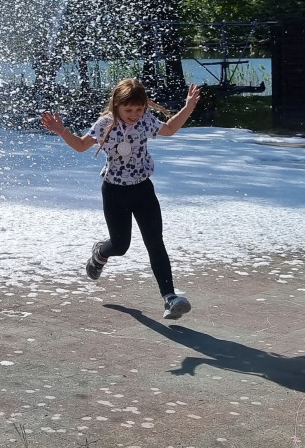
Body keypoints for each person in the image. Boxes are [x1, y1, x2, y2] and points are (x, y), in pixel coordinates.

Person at [41, 79, 200, 320]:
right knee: (120, 245)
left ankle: (169, 297)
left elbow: (168, 129)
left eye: (138, 109)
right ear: (117, 106)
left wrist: (188, 107)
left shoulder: (145, 120)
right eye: (129, 110)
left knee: (155, 243)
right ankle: (99, 255)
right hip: (115, 193)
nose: (135, 115)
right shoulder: (105, 124)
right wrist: (62, 131)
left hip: (143, 190)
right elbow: (82, 146)